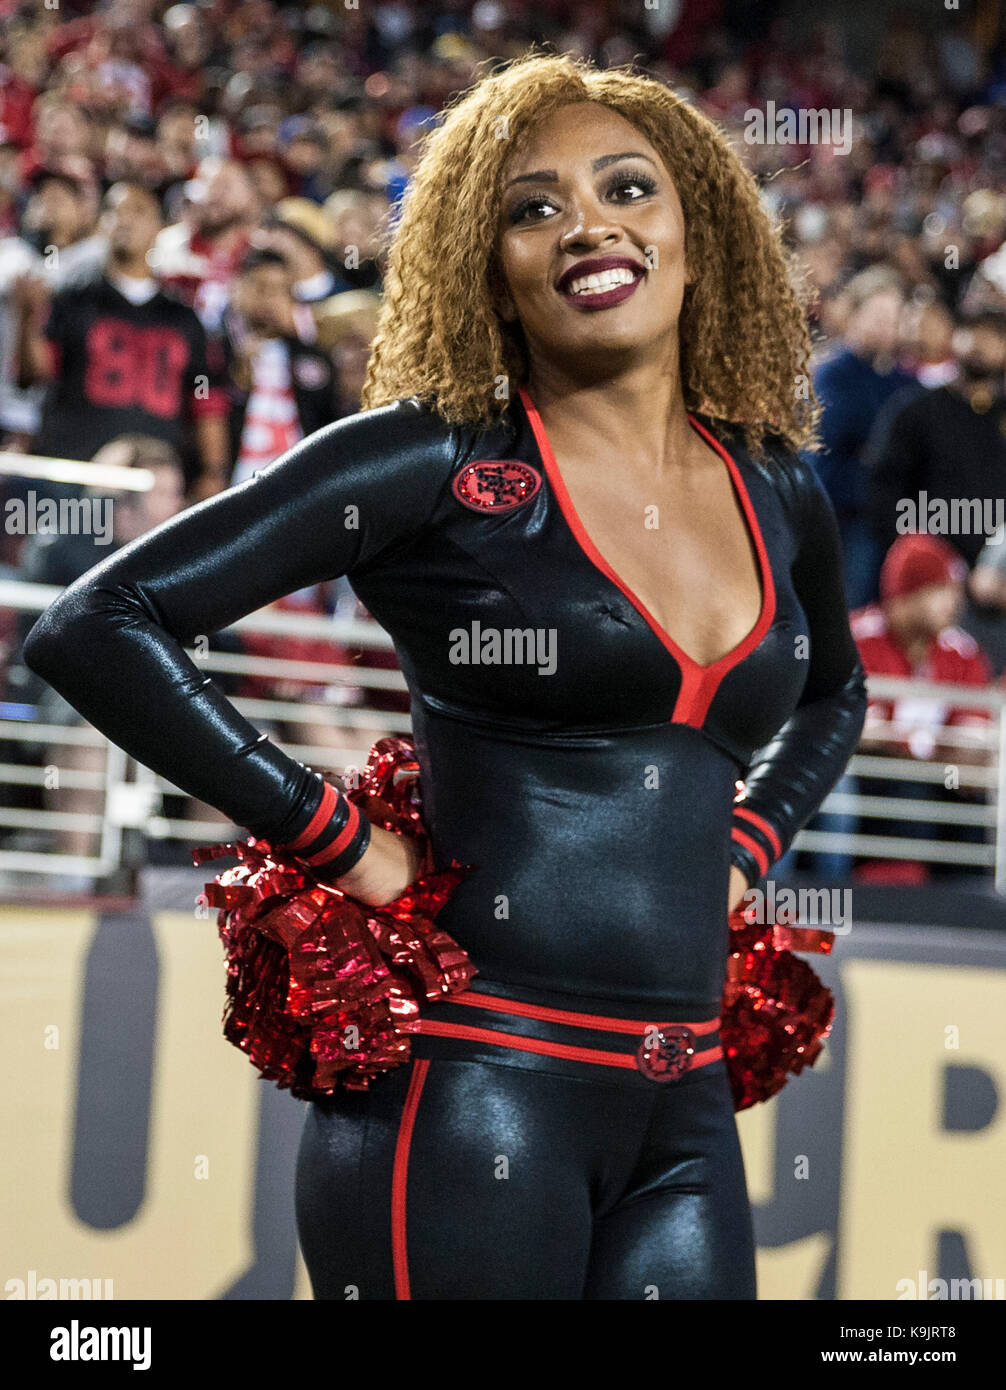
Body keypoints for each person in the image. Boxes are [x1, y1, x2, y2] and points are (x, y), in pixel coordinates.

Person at [22, 54, 867, 1301]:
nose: (587, 223)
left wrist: (749, 839)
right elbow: (99, 621)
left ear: (699, 230)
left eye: (627, 186)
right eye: (532, 207)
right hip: (470, 1090)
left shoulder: (779, 483)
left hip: (682, 1108)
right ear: (491, 269)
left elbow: (832, 694)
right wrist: (336, 838)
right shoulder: (431, 458)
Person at [15, 180, 231, 499]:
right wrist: (28, 320)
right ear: (101, 224)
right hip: (77, 473)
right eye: (115, 212)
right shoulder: (72, 300)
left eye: (138, 212)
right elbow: (36, 374)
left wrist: (213, 471)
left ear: (159, 227)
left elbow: (206, 400)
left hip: (153, 484)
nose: (125, 220)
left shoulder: (184, 317)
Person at [851, 533, 993, 884]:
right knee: (902, 789)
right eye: (940, 590)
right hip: (869, 779)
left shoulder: (962, 653)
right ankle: (891, 900)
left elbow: (972, 742)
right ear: (906, 595)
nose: (953, 603)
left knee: (968, 801)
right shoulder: (859, 640)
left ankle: (966, 910)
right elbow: (863, 735)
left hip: (934, 778)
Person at [804, 265, 918, 608]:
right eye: (878, 315)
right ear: (853, 314)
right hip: (844, 520)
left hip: (892, 521)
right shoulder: (832, 375)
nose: (887, 326)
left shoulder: (904, 381)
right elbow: (823, 454)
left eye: (894, 317)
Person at [868, 305, 1006, 569]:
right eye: (974, 332)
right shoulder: (917, 410)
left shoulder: (1000, 414)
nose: (982, 345)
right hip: (928, 570)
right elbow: (885, 489)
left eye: (995, 337)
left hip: (995, 571)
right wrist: (911, 553)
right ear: (954, 336)